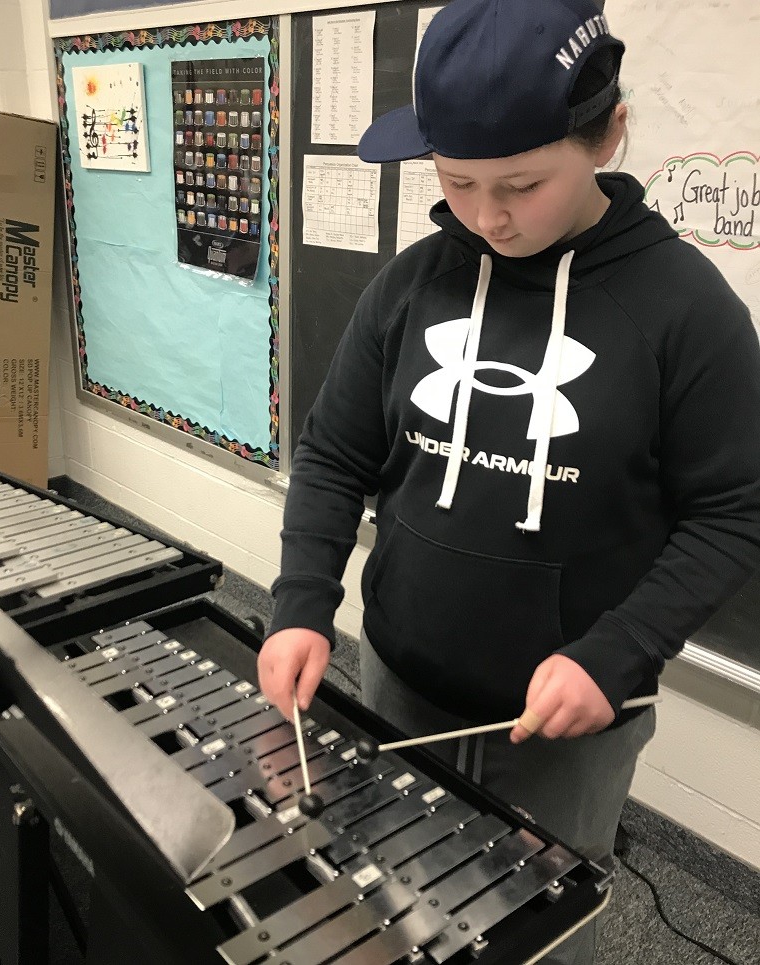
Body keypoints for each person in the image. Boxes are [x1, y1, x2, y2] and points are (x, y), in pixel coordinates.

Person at [257, 1, 760, 961]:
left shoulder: (686, 309)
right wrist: (298, 604)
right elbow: (332, 455)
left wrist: (615, 654)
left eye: (523, 184)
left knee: (531, 940)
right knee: (390, 914)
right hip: (398, 680)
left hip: (568, 726)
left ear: (608, 133)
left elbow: (732, 516)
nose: (488, 217)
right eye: (456, 182)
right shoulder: (409, 284)